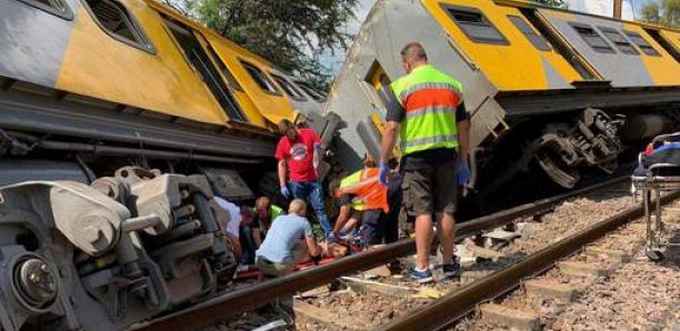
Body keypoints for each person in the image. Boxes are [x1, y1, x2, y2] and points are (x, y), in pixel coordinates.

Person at [378, 42, 471, 283]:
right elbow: (464, 126)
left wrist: (382, 161)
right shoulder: (452, 85)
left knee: (423, 213)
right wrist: (463, 159)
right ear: (425, 58)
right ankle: (449, 263)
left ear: (407, 63)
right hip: (447, 157)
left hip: (417, 159)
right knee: (446, 210)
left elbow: (391, 128)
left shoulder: (401, 87)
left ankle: (422, 268)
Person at [275, 119, 332, 237]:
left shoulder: (309, 133)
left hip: (312, 180)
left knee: (320, 208)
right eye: (286, 134)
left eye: (290, 132)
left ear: (293, 127)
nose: (289, 136)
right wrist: (282, 185)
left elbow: (321, 146)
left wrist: (320, 148)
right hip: (296, 182)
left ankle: (329, 233)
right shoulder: (283, 143)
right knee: (300, 212)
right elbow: (282, 164)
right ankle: (309, 237)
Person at [332, 154, 389, 247]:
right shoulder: (354, 195)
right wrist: (342, 232)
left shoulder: (344, 187)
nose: (339, 200)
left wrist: (334, 233)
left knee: (370, 233)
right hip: (382, 189)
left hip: (379, 191)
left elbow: (343, 215)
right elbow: (356, 216)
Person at [255, 199, 322, 277]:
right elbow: (313, 251)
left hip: (259, 262)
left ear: (289, 209)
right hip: (278, 267)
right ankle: (285, 277)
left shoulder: (278, 218)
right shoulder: (304, 222)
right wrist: (320, 249)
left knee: (272, 246)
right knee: (304, 245)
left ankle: (261, 279)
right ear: (303, 211)